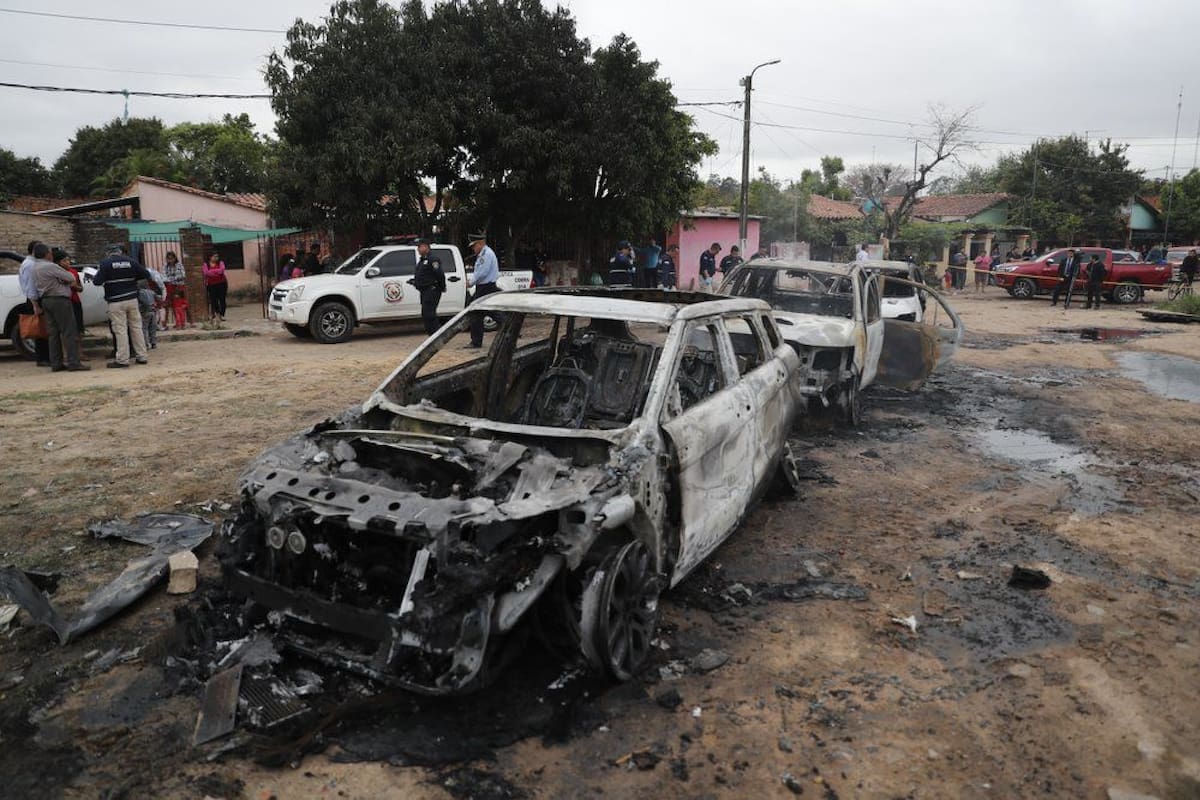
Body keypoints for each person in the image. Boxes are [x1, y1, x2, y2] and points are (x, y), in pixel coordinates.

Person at [93, 243, 153, 368]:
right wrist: (132, 279)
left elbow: (97, 282)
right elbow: (146, 274)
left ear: (109, 252)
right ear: (120, 252)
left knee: (120, 330)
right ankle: (142, 356)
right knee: (136, 328)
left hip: (115, 301)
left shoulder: (105, 263)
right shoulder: (131, 261)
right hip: (132, 299)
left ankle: (122, 359)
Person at [33, 244, 89, 372]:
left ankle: (56, 363)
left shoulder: (35, 267)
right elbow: (70, 277)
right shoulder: (50, 266)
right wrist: (64, 280)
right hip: (59, 299)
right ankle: (74, 362)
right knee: (69, 331)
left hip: (46, 299)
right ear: (47, 254)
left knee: (53, 333)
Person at [18, 239, 52, 366]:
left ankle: (44, 357)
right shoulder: (30, 265)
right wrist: (35, 305)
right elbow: (31, 286)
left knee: (43, 329)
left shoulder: (29, 263)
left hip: (34, 299)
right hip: (35, 300)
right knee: (40, 330)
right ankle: (43, 358)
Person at [465, 232, 499, 349]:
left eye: (474, 246)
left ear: (480, 244)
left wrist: (471, 282)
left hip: (486, 287)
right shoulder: (484, 254)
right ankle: (476, 341)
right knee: (486, 312)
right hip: (484, 287)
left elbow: (482, 273)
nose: (473, 249)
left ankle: (476, 342)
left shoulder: (486, 254)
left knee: (476, 312)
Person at [54, 248, 88, 365]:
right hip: (64, 302)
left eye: (68, 260)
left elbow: (80, 288)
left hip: (75, 302)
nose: (67, 263)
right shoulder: (56, 273)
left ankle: (80, 353)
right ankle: (66, 354)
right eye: (65, 261)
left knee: (79, 329)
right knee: (65, 330)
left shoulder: (73, 272)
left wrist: (75, 286)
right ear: (58, 262)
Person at [411, 238, 446, 335]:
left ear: (426, 247)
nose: (418, 249)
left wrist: (442, 287)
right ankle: (432, 335)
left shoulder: (432, 259)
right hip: (424, 291)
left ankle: (436, 335)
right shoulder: (423, 260)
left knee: (429, 314)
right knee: (426, 314)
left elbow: (439, 274)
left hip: (432, 290)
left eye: (419, 247)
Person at [138, 262, 165, 349]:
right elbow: (159, 299)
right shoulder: (152, 292)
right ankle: (154, 343)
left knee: (144, 329)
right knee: (152, 329)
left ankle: (146, 344)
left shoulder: (139, 292)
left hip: (144, 312)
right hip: (153, 311)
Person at [160, 251, 185, 330]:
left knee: (178, 306)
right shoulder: (165, 266)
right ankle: (166, 323)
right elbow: (163, 276)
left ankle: (181, 323)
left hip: (178, 287)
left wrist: (170, 279)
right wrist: (171, 279)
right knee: (167, 305)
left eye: (171, 258)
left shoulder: (179, 265)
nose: (170, 260)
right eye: (168, 258)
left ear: (175, 258)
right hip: (169, 287)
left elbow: (181, 276)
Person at [202, 252, 228, 322]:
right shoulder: (206, 264)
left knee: (222, 299)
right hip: (211, 284)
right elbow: (206, 273)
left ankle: (222, 314)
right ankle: (217, 313)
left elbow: (221, 271)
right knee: (214, 300)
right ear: (210, 257)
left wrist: (212, 272)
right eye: (214, 256)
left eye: (217, 256)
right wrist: (216, 272)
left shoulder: (220, 263)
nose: (216, 258)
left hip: (222, 283)